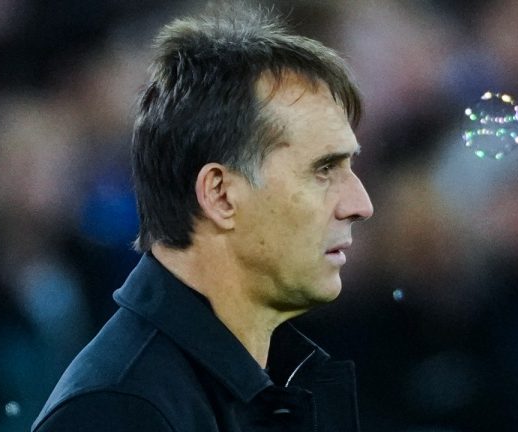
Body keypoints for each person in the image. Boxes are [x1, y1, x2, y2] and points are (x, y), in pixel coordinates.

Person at [31, 5, 373, 432]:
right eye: (323, 170)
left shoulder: (282, 380)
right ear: (220, 195)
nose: (360, 204)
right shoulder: (118, 412)